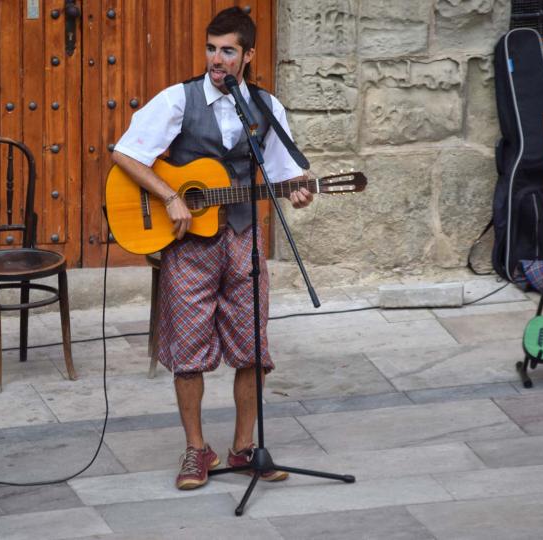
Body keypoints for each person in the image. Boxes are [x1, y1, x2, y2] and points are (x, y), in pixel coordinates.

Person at [111, 7, 314, 490]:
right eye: (211, 49)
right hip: (189, 247)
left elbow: (287, 173)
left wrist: (300, 191)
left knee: (253, 349)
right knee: (188, 350)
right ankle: (195, 450)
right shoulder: (178, 100)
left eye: (227, 51)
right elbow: (124, 153)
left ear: (248, 55)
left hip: (244, 240)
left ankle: (244, 449)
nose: (216, 60)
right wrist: (170, 197)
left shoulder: (265, 107)